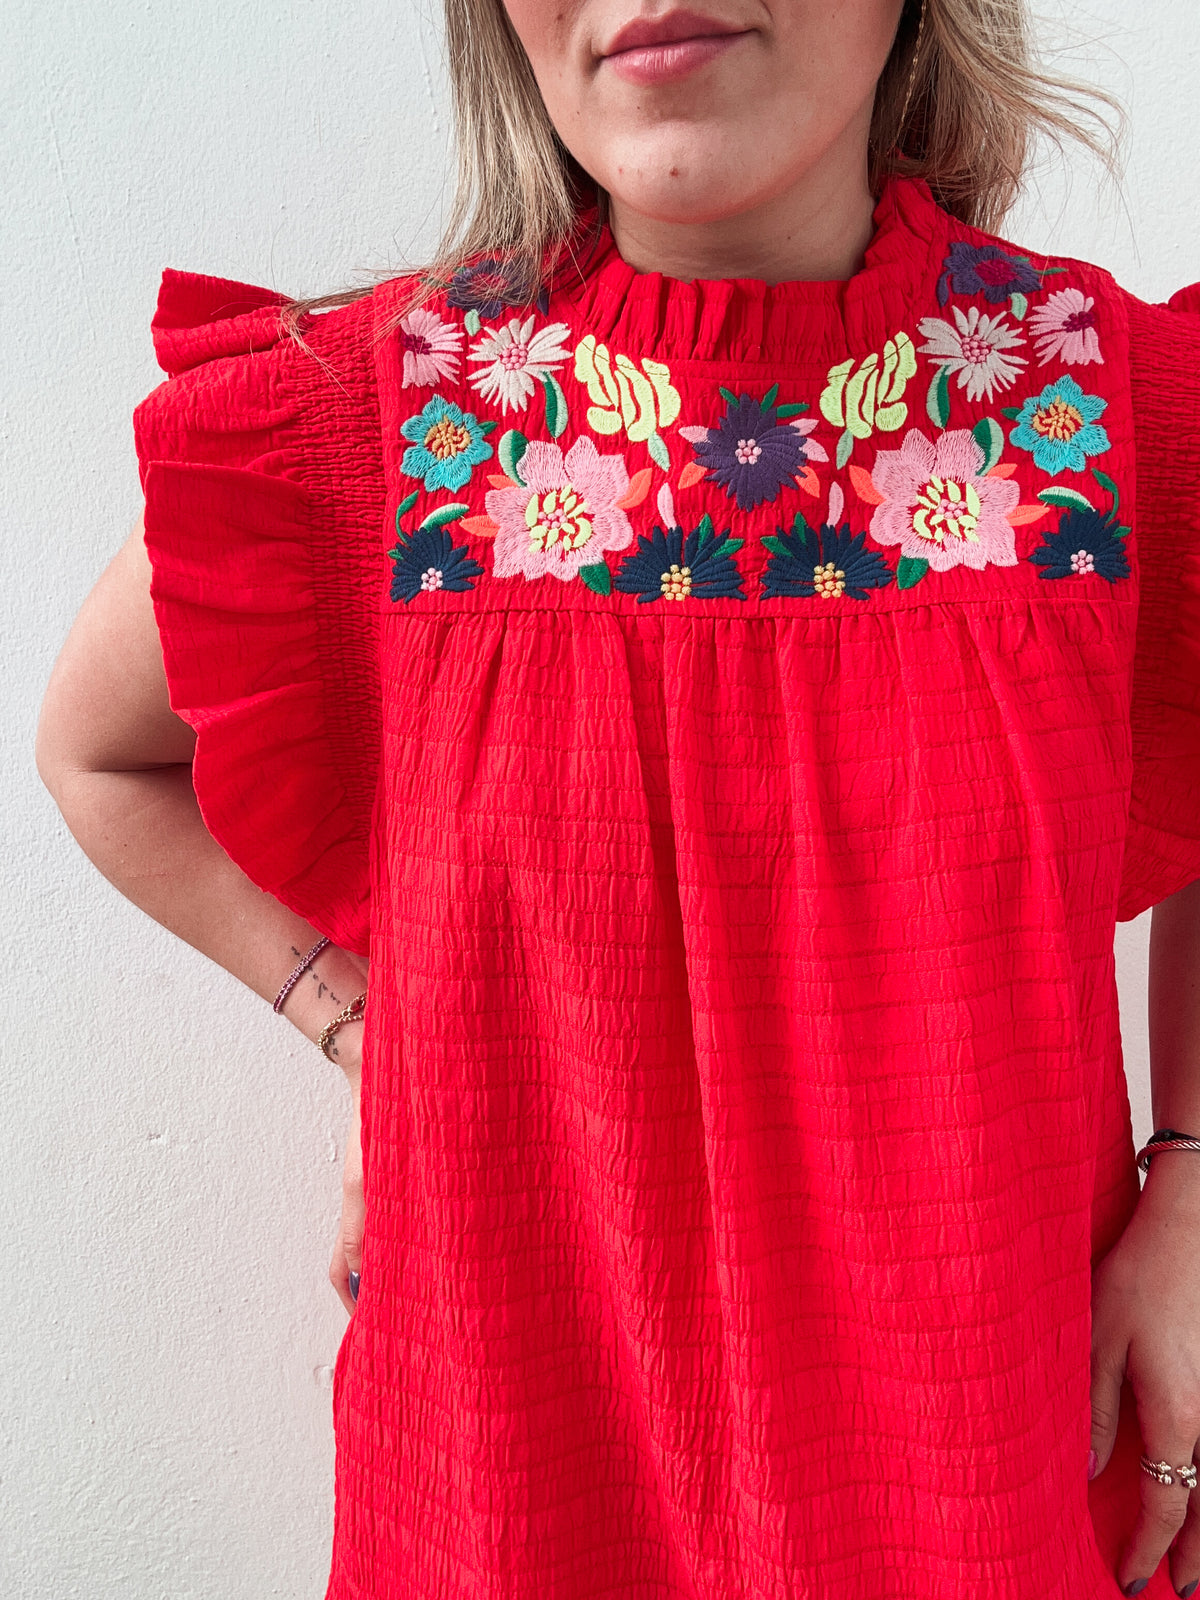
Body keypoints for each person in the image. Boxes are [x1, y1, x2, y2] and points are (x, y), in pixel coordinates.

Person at [33, 0, 1200, 1593]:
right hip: (514, 1472)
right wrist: (376, 1032)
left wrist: (1192, 1196)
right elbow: (99, 755)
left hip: (986, 1458)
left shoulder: (1113, 414)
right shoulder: (368, 435)